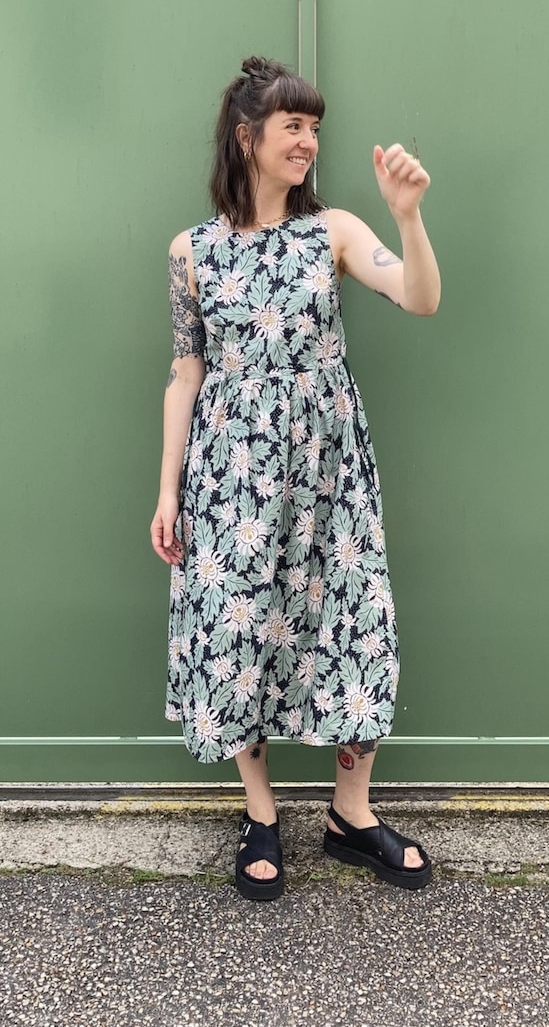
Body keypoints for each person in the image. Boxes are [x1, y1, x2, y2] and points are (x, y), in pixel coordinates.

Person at [150, 57, 441, 900]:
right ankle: (261, 812)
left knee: (356, 621)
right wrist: (167, 491)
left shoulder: (336, 231)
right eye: (294, 127)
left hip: (329, 471)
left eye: (315, 128)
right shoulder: (192, 252)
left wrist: (408, 218)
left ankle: (352, 816)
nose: (310, 142)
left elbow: (419, 298)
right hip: (231, 477)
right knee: (242, 635)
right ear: (247, 136)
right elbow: (185, 372)